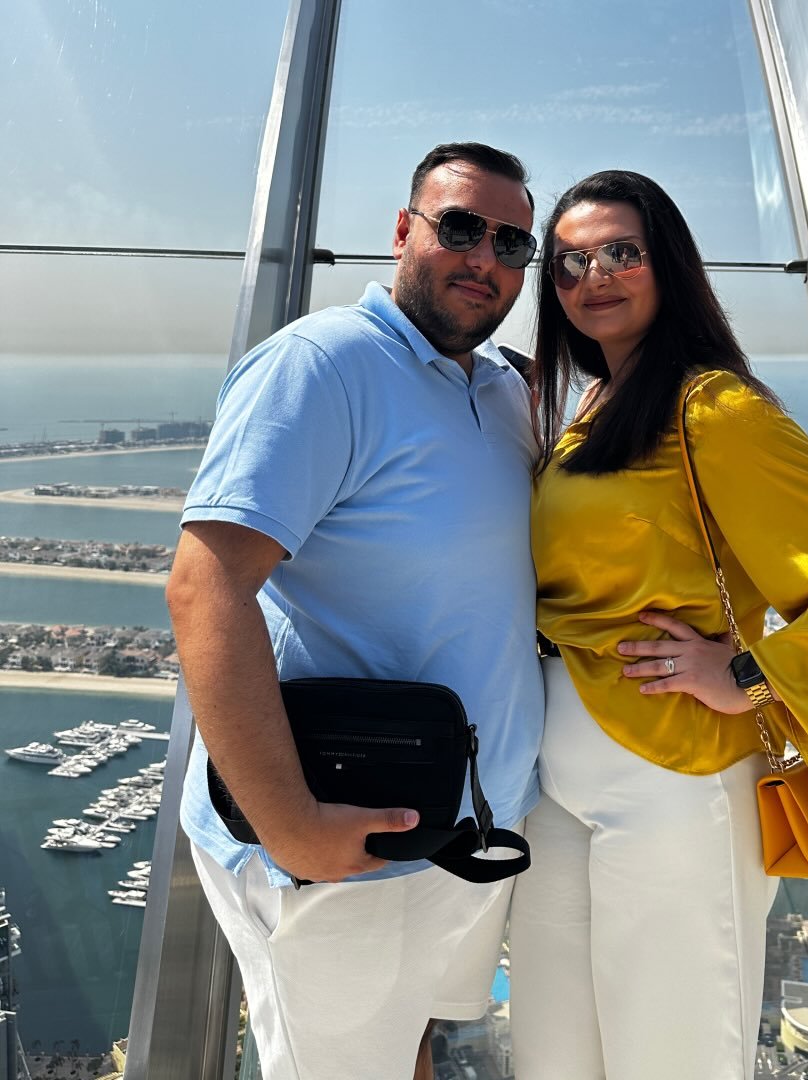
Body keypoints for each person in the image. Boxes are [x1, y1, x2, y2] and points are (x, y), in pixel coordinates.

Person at [508, 170, 808, 1080]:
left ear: (670, 263)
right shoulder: (593, 405)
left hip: (676, 778)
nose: (594, 276)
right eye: (570, 261)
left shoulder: (714, 409)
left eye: (621, 252)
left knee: (675, 1055)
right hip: (558, 779)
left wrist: (749, 675)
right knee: (553, 1054)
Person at [166, 142, 545, 1080]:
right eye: (461, 227)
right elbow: (206, 586)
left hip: (464, 823)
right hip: (345, 835)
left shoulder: (502, 388)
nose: (484, 259)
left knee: (411, 1046)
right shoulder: (321, 365)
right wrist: (289, 823)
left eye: (511, 244)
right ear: (403, 231)